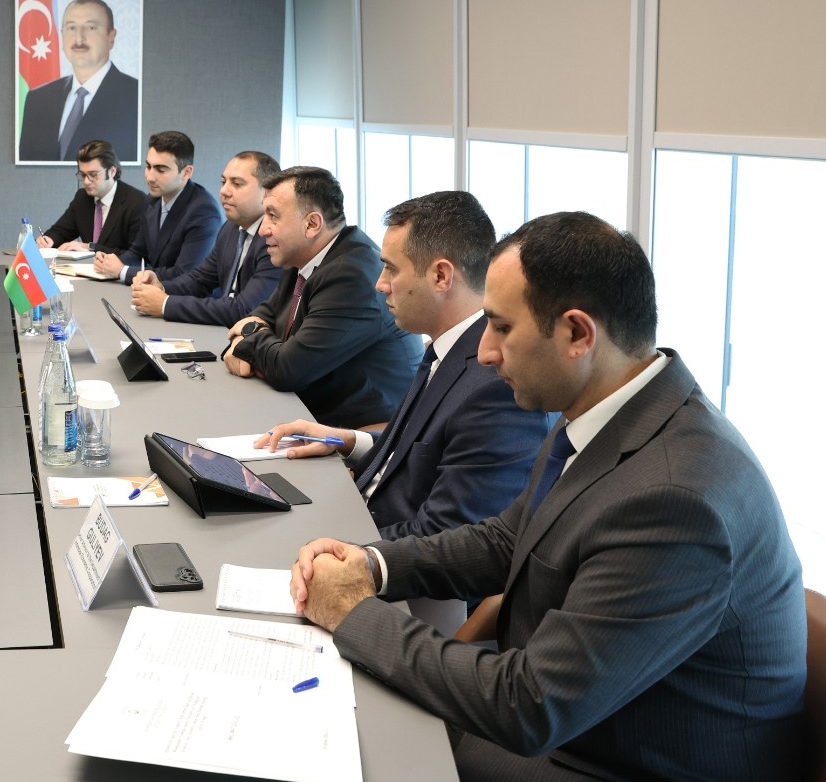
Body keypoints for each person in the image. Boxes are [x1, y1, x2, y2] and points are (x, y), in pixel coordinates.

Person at [291, 212, 805, 781]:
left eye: (501, 327)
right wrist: (373, 564)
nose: (485, 352)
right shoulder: (605, 410)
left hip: (613, 758)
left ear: (578, 334)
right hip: (578, 716)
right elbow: (508, 538)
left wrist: (354, 613)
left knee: (354, 749)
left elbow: (530, 706)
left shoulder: (676, 499)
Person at [259, 190, 551, 540]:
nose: (380, 284)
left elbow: (444, 536)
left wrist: (335, 546)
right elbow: (421, 448)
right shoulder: (448, 348)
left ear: (441, 276)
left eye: (391, 268)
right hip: (358, 516)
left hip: (378, 548)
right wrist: (347, 441)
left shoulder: (495, 385)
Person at [223, 166, 419, 428]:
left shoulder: (352, 276)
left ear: (312, 224)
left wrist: (246, 340)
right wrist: (255, 336)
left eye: (273, 216)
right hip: (309, 408)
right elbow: (262, 316)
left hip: (361, 431)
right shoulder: (303, 258)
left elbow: (287, 370)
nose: (262, 229)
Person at [130, 151, 282, 327]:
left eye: (237, 184)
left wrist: (165, 304)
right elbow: (200, 279)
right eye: (223, 182)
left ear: (267, 192)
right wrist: (161, 287)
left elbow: (245, 310)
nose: (224, 191)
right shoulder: (230, 229)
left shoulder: (275, 240)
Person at [91, 131, 223, 285]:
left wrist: (122, 271)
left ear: (186, 172)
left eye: (161, 170)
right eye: (148, 166)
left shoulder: (204, 212)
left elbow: (184, 274)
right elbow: (138, 252)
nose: (150, 177)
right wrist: (110, 263)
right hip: (153, 291)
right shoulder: (152, 200)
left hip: (185, 297)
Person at [18, 0, 140, 163]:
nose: (79, 39)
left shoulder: (135, 96)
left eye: (90, 27)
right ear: (62, 35)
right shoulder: (38, 99)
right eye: (71, 28)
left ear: (111, 37)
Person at [35, 140, 146, 255]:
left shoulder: (136, 202)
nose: (86, 181)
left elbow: (136, 256)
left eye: (93, 175)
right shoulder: (82, 198)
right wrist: (49, 239)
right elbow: (61, 231)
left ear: (112, 171)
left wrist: (90, 247)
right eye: (83, 175)